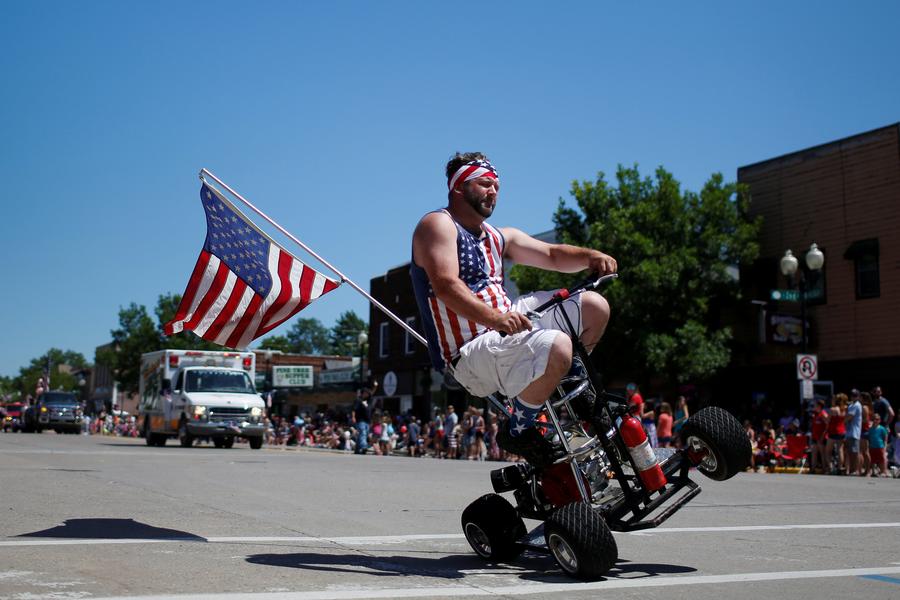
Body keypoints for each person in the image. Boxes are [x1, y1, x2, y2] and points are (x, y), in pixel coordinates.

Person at [411, 152, 616, 464]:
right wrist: (497, 319)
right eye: (485, 183)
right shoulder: (437, 224)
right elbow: (446, 285)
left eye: (496, 186)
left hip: (506, 327)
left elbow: (552, 255)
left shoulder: (499, 236)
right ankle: (518, 429)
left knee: (595, 306)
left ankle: (572, 386)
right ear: (459, 187)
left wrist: (590, 257)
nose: (493, 191)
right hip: (470, 351)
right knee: (559, 344)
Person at [844, 389, 863, 475]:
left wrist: (841, 422)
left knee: (855, 452)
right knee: (850, 452)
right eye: (852, 395)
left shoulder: (857, 405)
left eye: (855, 395)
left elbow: (850, 416)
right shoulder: (851, 405)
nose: (853, 397)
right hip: (849, 432)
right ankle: (852, 469)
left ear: (858, 396)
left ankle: (856, 470)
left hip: (855, 432)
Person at [351, 388, 372, 455]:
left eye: (368, 393)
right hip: (360, 420)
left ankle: (357, 450)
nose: (367, 394)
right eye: (365, 393)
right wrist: (353, 417)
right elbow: (354, 409)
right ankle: (364, 447)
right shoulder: (358, 400)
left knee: (363, 435)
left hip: (367, 421)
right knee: (363, 433)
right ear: (362, 393)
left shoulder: (368, 401)